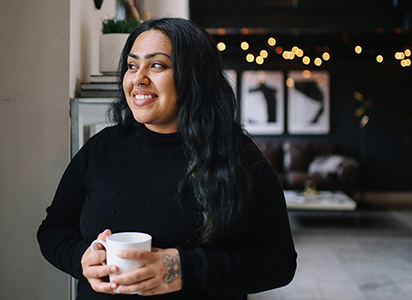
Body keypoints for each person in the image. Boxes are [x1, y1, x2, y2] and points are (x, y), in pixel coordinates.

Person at [37, 17, 296, 299]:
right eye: (132, 65)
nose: (138, 78)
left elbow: (280, 262)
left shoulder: (239, 156)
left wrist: (180, 268)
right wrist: (81, 259)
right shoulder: (101, 148)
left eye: (157, 65)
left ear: (194, 76)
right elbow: (53, 230)